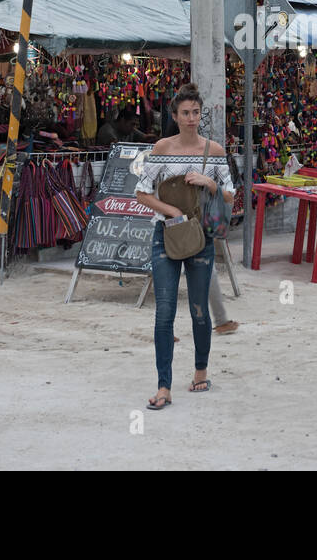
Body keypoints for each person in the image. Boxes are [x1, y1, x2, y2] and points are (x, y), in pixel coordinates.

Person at [134, 84, 235, 410]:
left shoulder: (214, 151)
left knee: (198, 310)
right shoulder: (162, 148)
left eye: (196, 112)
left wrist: (209, 182)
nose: (192, 118)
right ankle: (164, 387)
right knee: (164, 313)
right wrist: (172, 212)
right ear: (174, 116)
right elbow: (142, 192)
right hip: (164, 235)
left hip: (200, 237)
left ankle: (200, 371)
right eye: (185, 113)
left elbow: (231, 195)